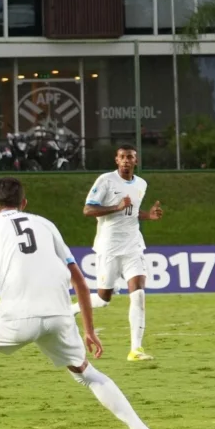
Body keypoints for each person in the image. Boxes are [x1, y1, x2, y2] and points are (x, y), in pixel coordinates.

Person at [0, 177, 156, 429]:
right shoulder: (46, 225)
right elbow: (79, 280)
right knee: (86, 372)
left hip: (16, 319)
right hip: (59, 316)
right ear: (24, 203)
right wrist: (89, 330)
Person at [71, 145, 164, 361]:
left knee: (139, 293)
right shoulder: (105, 181)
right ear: (116, 160)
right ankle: (72, 309)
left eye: (130, 157)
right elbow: (88, 210)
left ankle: (136, 350)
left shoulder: (141, 184)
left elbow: (131, 211)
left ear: (136, 161)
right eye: (122, 157)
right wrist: (116, 207)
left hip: (133, 245)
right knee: (104, 300)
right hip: (108, 247)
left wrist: (148, 216)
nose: (126, 161)